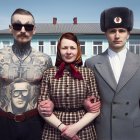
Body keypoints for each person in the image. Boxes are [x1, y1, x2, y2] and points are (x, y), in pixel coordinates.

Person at [84, 7, 140, 140]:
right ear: (105, 34)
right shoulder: (91, 63)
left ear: (128, 34)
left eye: (122, 31)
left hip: (132, 129)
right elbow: (87, 95)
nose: (117, 35)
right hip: (103, 130)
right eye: (112, 31)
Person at [0, 8, 53, 140]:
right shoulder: (0, 57)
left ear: (34, 29)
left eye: (28, 26)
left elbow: (51, 91)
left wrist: (51, 103)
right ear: (10, 28)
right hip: (3, 122)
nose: (23, 30)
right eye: (18, 26)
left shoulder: (44, 59)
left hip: (35, 122)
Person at [38, 32, 100, 140]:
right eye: (64, 48)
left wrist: (74, 128)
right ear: (58, 50)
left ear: (78, 50)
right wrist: (63, 128)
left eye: (72, 48)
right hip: (54, 129)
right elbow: (43, 108)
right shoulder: (49, 73)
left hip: (83, 128)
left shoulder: (88, 73)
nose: (68, 52)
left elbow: (95, 109)